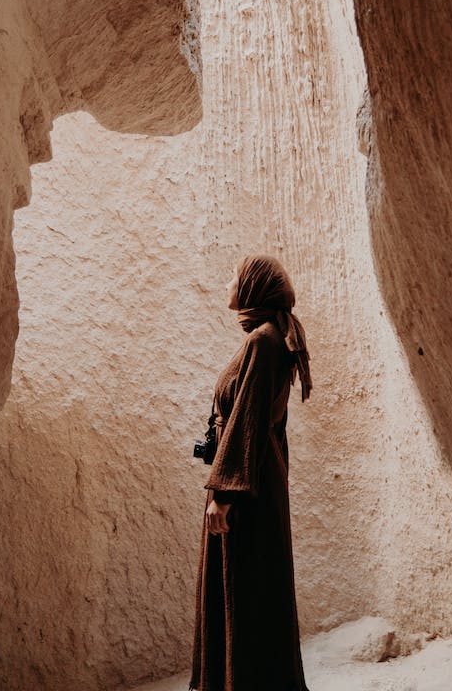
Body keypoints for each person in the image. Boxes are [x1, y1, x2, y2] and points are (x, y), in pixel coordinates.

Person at [190, 253, 313, 691]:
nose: (229, 281)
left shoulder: (264, 340)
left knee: (244, 585)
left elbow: (248, 419)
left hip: (246, 485)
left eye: (235, 276)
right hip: (257, 479)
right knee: (255, 583)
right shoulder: (274, 336)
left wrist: (224, 494)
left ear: (255, 286)